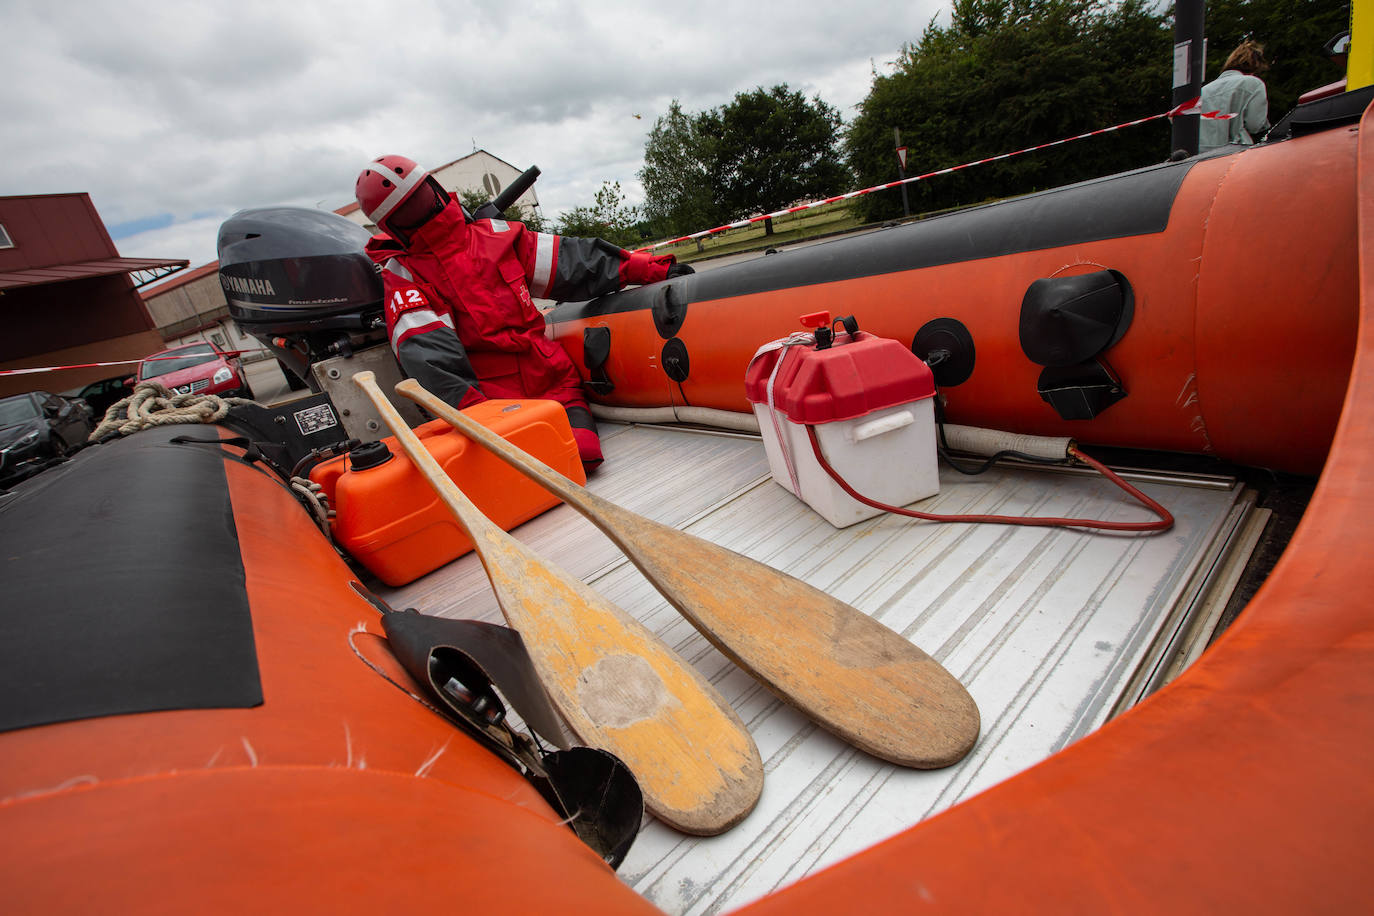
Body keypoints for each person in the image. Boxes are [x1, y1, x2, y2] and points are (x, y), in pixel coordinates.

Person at [355, 155, 692, 472]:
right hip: (495, 405)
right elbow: (431, 361)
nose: (421, 209)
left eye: (421, 197)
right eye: (407, 210)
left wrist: (650, 270)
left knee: (584, 454)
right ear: (391, 226)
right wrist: (480, 420)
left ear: (436, 189)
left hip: (556, 382)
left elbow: (575, 263)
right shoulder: (404, 277)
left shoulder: (497, 236)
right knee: (549, 470)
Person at [1198, 39, 1271, 153]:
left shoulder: (1203, 91)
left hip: (1202, 157)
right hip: (1236, 153)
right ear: (1255, 66)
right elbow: (1254, 125)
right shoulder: (1253, 83)